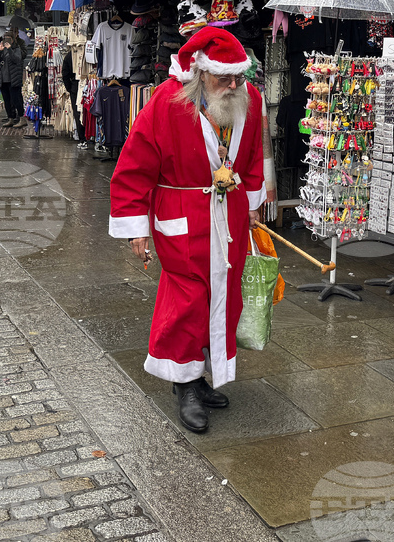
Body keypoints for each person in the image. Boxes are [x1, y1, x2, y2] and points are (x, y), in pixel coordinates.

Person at [108, 27, 266, 434]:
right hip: (181, 215)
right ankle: (185, 383)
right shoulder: (166, 101)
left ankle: (201, 372)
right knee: (188, 298)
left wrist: (250, 207)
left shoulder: (250, 100)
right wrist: (135, 227)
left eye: (239, 77)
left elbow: (250, 162)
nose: (234, 86)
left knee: (224, 297)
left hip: (228, 216)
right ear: (200, 72)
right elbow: (134, 165)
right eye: (224, 78)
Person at [0, 34, 26, 127]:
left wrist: (10, 49)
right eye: (5, 39)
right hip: (3, 78)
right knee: (6, 100)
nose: (6, 40)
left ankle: (21, 118)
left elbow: (17, 60)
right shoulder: (2, 49)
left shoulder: (16, 49)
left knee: (16, 99)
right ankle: (10, 118)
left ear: (13, 40)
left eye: (9, 39)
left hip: (13, 78)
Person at [61, 45, 85, 143]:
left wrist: (69, 88)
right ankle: (89, 136)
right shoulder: (86, 54)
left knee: (78, 112)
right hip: (86, 83)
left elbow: (65, 74)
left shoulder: (69, 56)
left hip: (75, 86)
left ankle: (82, 138)